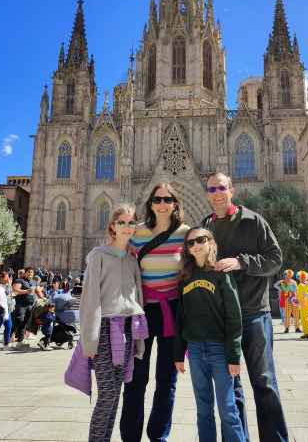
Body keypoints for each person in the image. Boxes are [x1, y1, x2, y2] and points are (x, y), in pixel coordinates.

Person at [202, 172, 288, 442]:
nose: (217, 192)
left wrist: (243, 262)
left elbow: (275, 259)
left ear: (232, 190)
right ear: (207, 194)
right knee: (231, 386)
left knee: (264, 383)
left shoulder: (253, 221)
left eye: (221, 187)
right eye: (212, 189)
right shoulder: (205, 227)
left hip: (253, 314)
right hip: (222, 319)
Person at [120, 183, 190, 442]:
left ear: (175, 203)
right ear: (150, 204)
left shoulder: (186, 234)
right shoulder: (137, 234)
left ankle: (159, 435)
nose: (162, 204)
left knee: (167, 380)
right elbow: (119, 261)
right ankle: (130, 436)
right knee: (136, 379)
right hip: (142, 312)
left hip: (173, 312)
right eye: (157, 199)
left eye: (167, 199)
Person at [81, 204, 148, 442]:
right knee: (107, 393)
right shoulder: (99, 255)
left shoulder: (131, 260)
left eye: (131, 223)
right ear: (112, 226)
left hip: (128, 329)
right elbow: (89, 299)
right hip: (105, 329)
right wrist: (89, 341)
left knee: (116, 394)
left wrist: (139, 338)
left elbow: (136, 297)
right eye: (122, 222)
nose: (127, 227)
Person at [174, 227, 244, 442]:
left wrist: (234, 356)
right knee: (203, 410)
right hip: (194, 350)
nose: (195, 245)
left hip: (219, 350)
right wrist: (179, 354)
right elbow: (181, 318)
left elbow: (234, 316)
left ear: (210, 242)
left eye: (200, 240)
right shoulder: (185, 277)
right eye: (190, 243)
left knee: (228, 410)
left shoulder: (221, 273)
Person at [12, 267, 36, 350]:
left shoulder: (32, 282)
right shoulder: (19, 280)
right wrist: (26, 291)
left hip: (29, 305)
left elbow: (35, 291)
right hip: (21, 305)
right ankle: (8, 338)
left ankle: (20, 342)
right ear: (25, 273)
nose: (30, 274)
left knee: (24, 323)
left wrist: (43, 297)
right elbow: (15, 289)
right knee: (19, 320)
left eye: (32, 273)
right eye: (28, 272)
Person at [0, 271, 15, 350]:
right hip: (0, 309)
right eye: (7, 277)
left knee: (9, 326)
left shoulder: (6, 285)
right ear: (2, 278)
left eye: (8, 277)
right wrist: (9, 285)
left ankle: (6, 344)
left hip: (7, 309)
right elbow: (6, 295)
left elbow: (10, 293)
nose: (8, 278)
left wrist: (9, 284)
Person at [296, 271, 308, 339]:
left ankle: (307, 333)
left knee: (304, 319)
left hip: (303, 304)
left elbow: (299, 296)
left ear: (300, 278)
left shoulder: (300, 285)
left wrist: (297, 302)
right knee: (307, 318)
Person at [279, 269, 300, 334]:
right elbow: (286, 290)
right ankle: (287, 328)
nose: (288, 276)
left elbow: (296, 290)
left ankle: (297, 328)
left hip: (294, 298)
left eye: (289, 275)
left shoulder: (294, 282)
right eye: (286, 275)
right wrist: (288, 284)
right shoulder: (283, 282)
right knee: (287, 314)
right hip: (287, 299)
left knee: (296, 314)